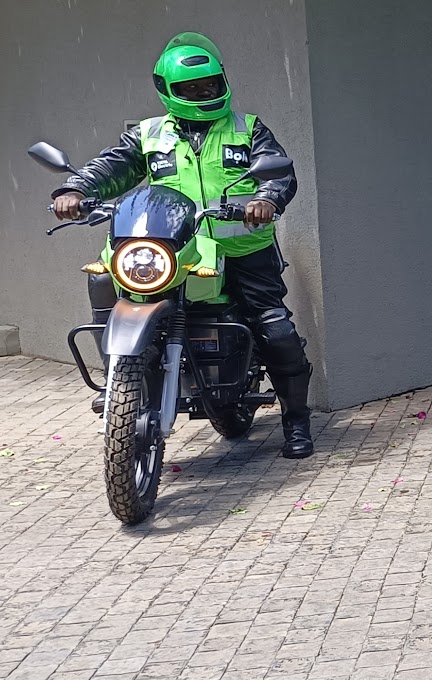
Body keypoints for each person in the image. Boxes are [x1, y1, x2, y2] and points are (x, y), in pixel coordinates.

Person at [53, 33, 316, 459]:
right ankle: (120, 378)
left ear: (221, 82)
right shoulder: (148, 134)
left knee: (274, 326)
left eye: (208, 86)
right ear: (169, 91)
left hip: (242, 248)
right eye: (191, 89)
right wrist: (75, 189)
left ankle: (296, 422)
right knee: (106, 281)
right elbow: (112, 168)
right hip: (177, 248)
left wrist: (267, 199)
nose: (202, 93)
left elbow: (278, 173)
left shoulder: (248, 127)